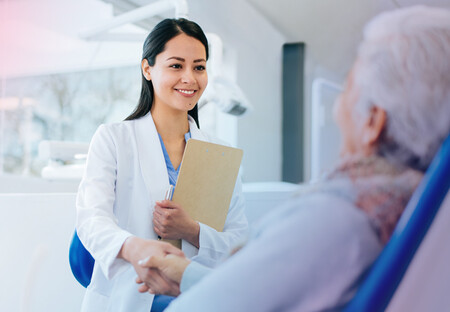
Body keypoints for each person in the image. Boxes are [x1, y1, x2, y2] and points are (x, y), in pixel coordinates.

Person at [135, 6, 450, 311]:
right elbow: (262, 287)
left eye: (347, 89)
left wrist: (190, 239)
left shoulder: (334, 219)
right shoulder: (413, 206)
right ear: (148, 70)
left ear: (373, 123)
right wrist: (185, 274)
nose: (337, 110)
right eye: (175, 65)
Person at [76, 18, 248, 312]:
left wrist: (192, 230)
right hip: (126, 296)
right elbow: (91, 219)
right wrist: (134, 247)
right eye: (176, 65)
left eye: (199, 67)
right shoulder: (114, 139)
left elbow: (238, 241)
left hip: (195, 300)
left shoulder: (221, 153)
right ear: (147, 68)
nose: (190, 78)